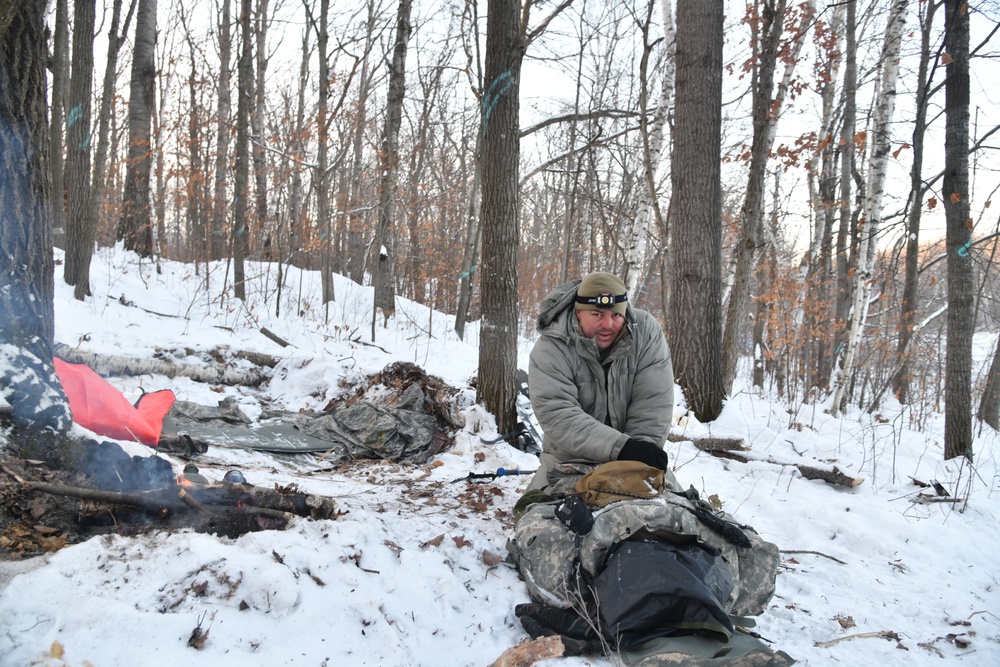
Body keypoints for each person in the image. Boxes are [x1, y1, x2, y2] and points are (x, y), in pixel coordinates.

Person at [526, 271, 674, 491]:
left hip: (635, 457)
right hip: (569, 458)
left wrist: (636, 455)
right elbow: (558, 414)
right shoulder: (551, 346)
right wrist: (620, 447)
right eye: (597, 314)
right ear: (578, 312)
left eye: (616, 315)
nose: (608, 325)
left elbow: (653, 402)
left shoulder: (646, 333)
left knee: (681, 516)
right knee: (538, 520)